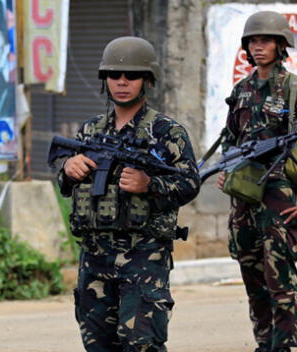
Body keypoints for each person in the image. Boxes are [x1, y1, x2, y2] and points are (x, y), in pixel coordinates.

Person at [57, 36, 200, 352]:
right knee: (98, 344)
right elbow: (66, 178)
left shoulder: (165, 132)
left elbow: (190, 183)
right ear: (104, 79)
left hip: (143, 256)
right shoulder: (90, 130)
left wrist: (149, 185)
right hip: (94, 256)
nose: (122, 82)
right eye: (114, 75)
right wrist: (68, 168)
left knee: (141, 344)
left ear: (147, 80)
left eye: (132, 76)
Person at [218, 11, 297, 352]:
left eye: (266, 40)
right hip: (244, 196)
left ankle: (282, 345)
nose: (258, 47)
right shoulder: (241, 90)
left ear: (281, 45)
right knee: (252, 274)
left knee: (279, 275)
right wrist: (227, 165)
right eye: (253, 41)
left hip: (279, 195)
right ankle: (264, 343)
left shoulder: (296, 90)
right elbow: (231, 136)